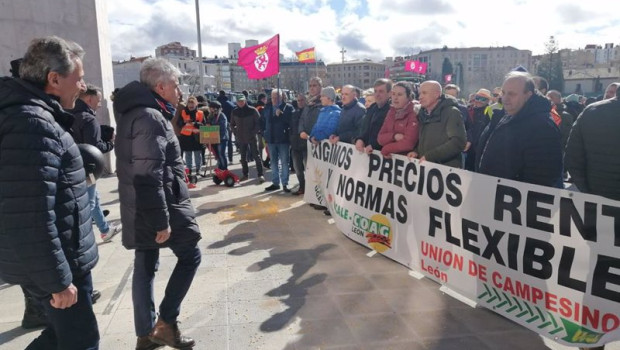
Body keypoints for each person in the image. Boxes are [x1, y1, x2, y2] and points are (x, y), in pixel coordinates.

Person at [0, 36, 99, 350]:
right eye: (79, 79)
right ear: (54, 79)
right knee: (81, 341)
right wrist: (57, 281)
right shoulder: (32, 124)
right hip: (58, 265)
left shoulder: (34, 116)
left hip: (58, 260)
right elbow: (29, 214)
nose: (83, 87)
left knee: (60, 337)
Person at [113, 58, 202, 350]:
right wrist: (161, 220)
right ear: (161, 86)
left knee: (145, 264)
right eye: (176, 85)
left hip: (141, 205)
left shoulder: (135, 112)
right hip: (158, 204)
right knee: (190, 256)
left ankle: (145, 334)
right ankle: (165, 323)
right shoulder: (150, 117)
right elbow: (147, 173)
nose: (180, 90)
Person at [476, 71, 562, 187]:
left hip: (510, 200)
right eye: (503, 92)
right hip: (489, 193)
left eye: (512, 94)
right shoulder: (503, 115)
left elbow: (541, 178)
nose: (504, 98)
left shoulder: (542, 126)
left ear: (528, 95)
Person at [71, 84, 122, 242]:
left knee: (95, 198)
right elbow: (94, 147)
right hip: (88, 169)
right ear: (89, 98)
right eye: (99, 100)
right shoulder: (88, 119)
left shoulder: (66, 113)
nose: (100, 104)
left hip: (72, 166)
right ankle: (83, 238)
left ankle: (105, 229)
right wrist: (110, 144)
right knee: (90, 202)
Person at [566, 87, 620, 201]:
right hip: (597, 193)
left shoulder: (592, 110)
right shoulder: (592, 111)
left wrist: (586, 191)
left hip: (597, 197)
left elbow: (573, 156)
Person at [408, 81, 466, 168]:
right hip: (427, 167)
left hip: (446, 169)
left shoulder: (451, 112)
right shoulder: (422, 113)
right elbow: (422, 139)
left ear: (436, 94)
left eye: (424, 93)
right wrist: (416, 151)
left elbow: (458, 142)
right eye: (419, 93)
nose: (420, 97)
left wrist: (430, 156)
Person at [376, 81, 419, 157]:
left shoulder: (414, 113)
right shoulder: (391, 112)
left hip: (407, 160)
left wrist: (386, 149)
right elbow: (380, 138)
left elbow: (408, 143)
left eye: (399, 95)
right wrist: (394, 136)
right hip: (392, 160)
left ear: (408, 97)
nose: (395, 98)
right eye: (393, 94)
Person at [263, 89, 294, 192]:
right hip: (271, 139)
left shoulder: (288, 107)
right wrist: (264, 133)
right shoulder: (267, 107)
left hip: (283, 139)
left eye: (277, 97)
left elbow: (291, 121)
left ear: (282, 97)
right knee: (273, 162)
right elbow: (264, 120)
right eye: (273, 97)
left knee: (285, 162)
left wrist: (282, 114)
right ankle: (275, 182)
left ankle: (285, 183)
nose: (275, 99)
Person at [231, 94, 265, 183]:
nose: (241, 103)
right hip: (241, 137)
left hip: (251, 137)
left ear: (245, 100)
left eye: (242, 101)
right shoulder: (234, 112)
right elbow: (231, 124)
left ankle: (260, 174)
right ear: (237, 102)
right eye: (239, 101)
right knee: (243, 157)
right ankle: (245, 174)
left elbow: (259, 123)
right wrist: (235, 132)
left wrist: (253, 132)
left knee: (256, 156)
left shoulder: (252, 110)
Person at [355, 78, 393, 154]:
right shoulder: (371, 108)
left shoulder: (392, 111)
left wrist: (374, 145)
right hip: (366, 153)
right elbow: (364, 128)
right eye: (375, 91)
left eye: (381, 91)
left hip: (381, 155)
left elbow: (389, 135)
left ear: (389, 93)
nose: (377, 94)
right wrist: (360, 139)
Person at [177, 96, 206, 184]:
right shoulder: (183, 112)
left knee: (198, 154)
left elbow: (204, 124)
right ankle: (189, 170)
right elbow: (178, 123)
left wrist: (196, 123)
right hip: (186, 137)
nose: (191, 108)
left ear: (195, 105)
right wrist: (184, 123)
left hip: (196, 137)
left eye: (192, 106)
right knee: (188, 154)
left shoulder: (200, 113)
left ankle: (198, 169)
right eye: (189, 106)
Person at [464, 88, 491, 171]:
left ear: (487, 101)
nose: (479, 101)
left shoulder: (490, 111)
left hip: (481, 148)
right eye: (477, 97)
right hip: (468, 147)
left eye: (483, 99)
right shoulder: (469, 110)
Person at [290, 93, 307, 195]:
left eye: (302, 100)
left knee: (307, 168)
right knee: (297, 168)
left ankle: (309, 189)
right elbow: (291, 128)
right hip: (295, 145)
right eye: (298, 101)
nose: (300, 102)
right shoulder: (294, 113)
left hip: (306, 146)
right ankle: (302, 186)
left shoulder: (308, 112)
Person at [206, 100, 229, 170]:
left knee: (221, 154)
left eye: (211, 108)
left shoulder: (221, 115)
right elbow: (208, 123)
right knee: (217, 155)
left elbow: (223, 127)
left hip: (222, 138)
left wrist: (212, 127)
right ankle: (220, 167)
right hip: (214, 138)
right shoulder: (211, 115)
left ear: (215, 108)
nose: (210, 109)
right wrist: (208, 125)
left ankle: (224, 168)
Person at [217, 90, 235, 163]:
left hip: (217, 126)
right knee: (229, 141)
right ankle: (230, 159)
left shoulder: (217, 104)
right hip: (228, 124)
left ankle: (220, 159)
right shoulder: (230, 104)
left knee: (218, 142)